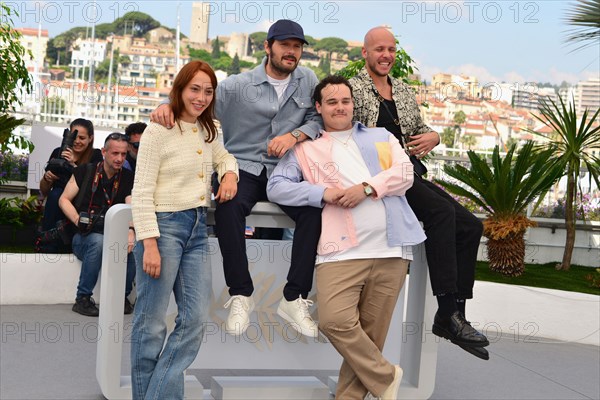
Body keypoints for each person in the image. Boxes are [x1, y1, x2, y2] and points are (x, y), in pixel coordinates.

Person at [150, 19, 323, 338]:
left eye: (297, 47)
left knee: (313, 211)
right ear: (267, 47)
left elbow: (316, 117)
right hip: (242, 167)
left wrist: (294, 135)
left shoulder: (308, 80)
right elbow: (197, 102)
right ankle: (241, 294)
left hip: (284, 170)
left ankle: (294, 297)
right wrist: (165, 106)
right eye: (285, 45)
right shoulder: (236, 86)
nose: (291, 52)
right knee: (229, 207)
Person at [268, 75, 426, 400]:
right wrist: (322, 193)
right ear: (318, 107)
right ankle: (385, 376)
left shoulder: (381, 136)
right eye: (332, 102)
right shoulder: (305, 149)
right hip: (339, 253)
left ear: (353, 103)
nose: (340, 107)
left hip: (392, 250)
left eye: (346, 101)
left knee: (369, 338)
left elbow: (405, 173)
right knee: (334, 320)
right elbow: (277, 186)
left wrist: (366, 188)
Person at [349, 26, 489, 359]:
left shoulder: (404, 90)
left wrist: (435, 137)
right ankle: (446, 311)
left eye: (392, 50)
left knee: (472, 227)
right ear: (365, 53)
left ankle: (456, 312)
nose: (386, 55)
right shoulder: (352, 89)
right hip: (381, 177)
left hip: (409, 172)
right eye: (379, 49)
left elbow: (420, 131)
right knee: (440, 214)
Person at [131, 60, 238, 400]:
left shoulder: (211, 130)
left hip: (196, 229)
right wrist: (149, 243)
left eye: (208, 91)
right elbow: (142, 189)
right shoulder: (159, 129)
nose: (201, 97)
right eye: (195, 89)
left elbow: (225, 158)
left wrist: (230, 175)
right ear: (179, 89)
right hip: (163, 229)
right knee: (150, 325)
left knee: (195, 319)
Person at [58, 133, 136, 316]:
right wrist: (78, 219)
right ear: (104, 152)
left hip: (114, 237)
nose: (119, 159)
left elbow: (131, 206)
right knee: (97, 242)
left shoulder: (127, 177)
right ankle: (82, 298)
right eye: (115, 153)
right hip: (84, 237)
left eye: (124, 154)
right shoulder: (85, 171)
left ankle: (120, 297)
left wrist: (131, 231)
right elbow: (63, 200)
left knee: (134, 248)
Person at [39, 119, 103, 251]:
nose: (77, 141)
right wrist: (47, 179)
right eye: (74, 136)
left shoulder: (95, 156)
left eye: (82, 138)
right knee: (55, 193)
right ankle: (47, 242)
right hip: (56, 204)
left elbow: (93, 186)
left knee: (58, 195)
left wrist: (74, 165)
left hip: (81, 203)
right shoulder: (58, 152)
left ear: (90, 138)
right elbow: (44, 191)